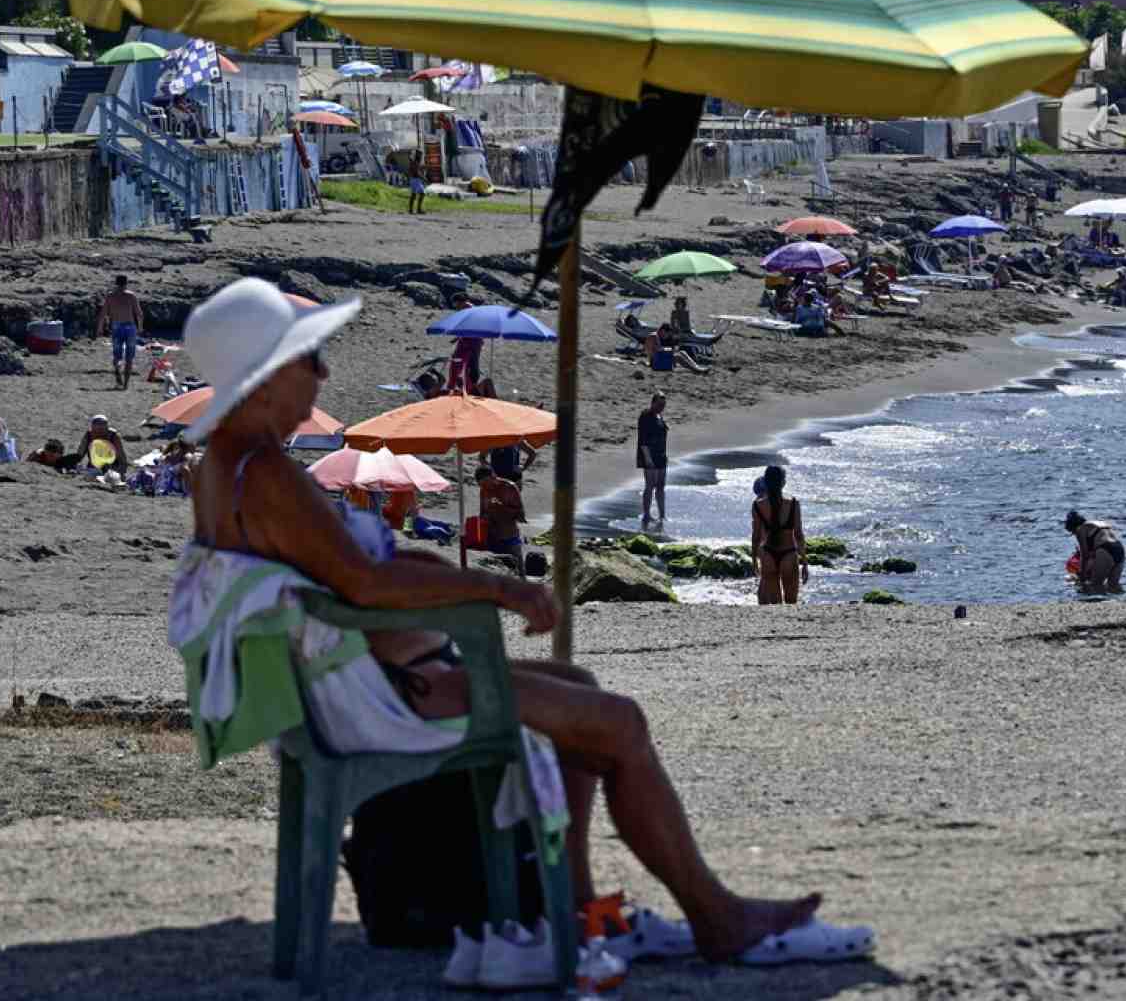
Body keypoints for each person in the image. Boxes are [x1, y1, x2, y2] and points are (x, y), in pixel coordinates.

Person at [174, 279, 865, 968]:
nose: (324, 373)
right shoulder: (265, 473)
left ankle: (580, 912)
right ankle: (719, 919)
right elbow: (363, 583)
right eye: (311, 358)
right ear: (266, 377)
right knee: (619, 722)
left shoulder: (227, 468)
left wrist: (427, 575)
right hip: (385, 699)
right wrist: (497, 589)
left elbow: (340, 570)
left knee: (577, 685)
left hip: (345, 690)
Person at [750, 465, 807, 605]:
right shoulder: (793, 504)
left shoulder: (757, 505)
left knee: (776, 605)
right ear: (783, 483)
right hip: (789, 554)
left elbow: (756, 537)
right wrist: (805, 562)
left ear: (766, 482)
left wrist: (754, 560)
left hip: (768, 555)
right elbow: (799, 535)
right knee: (791, 603)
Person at [475, 464, 527, 576]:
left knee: (519, 570)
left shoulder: (509, 487)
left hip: (510, 535)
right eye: (481, 485)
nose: (485, 487)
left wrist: (501, 508)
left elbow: (520, 515)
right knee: (497, 571)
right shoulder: (484, 490)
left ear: (493, 476)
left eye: (486, 483)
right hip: (492, 536)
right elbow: (482, 512)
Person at [95, 275, 145, 390]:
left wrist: (99, 328)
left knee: (117, 355)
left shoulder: (110, 296)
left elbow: (103, 314)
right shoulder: (131, 296)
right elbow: (139, 314)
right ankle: (126, 384)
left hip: (116, 326)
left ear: (116, 283)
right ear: (126, 283)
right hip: (130, 327)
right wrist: (140, 327)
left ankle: (118, 371)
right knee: (129, 357)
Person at [1064, 510, 1126, 595]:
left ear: (1074, 527)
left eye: (1072, 532)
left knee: (1096, 585)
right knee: (1113, 586)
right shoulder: (1099, 523)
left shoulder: (1080, 529)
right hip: (1120, 549)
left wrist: (1082, 576)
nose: (1074, 534)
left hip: (1106, 549)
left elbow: (1085, 555)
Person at [637, 391, 669, 530]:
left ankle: (662, 515)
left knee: (661, 486)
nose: (662, 407)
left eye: (663, 405)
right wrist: (647, 458)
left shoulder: (659, 416)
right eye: (659, 404)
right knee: (650, 486)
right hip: (650, 455)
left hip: (661, 455)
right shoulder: (646, 416)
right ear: (653, 402)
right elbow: (643, 439)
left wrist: (665, 456)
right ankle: (646, 514)